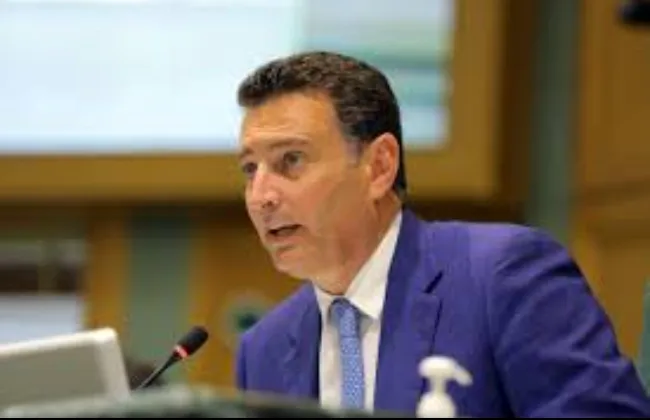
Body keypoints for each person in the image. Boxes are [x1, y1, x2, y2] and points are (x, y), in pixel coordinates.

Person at [232, 50, 650, 417]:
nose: (261, 196)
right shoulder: (263, 349)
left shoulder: (501, 277)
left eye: (291, 160)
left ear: (379, 167)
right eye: (251, 169)